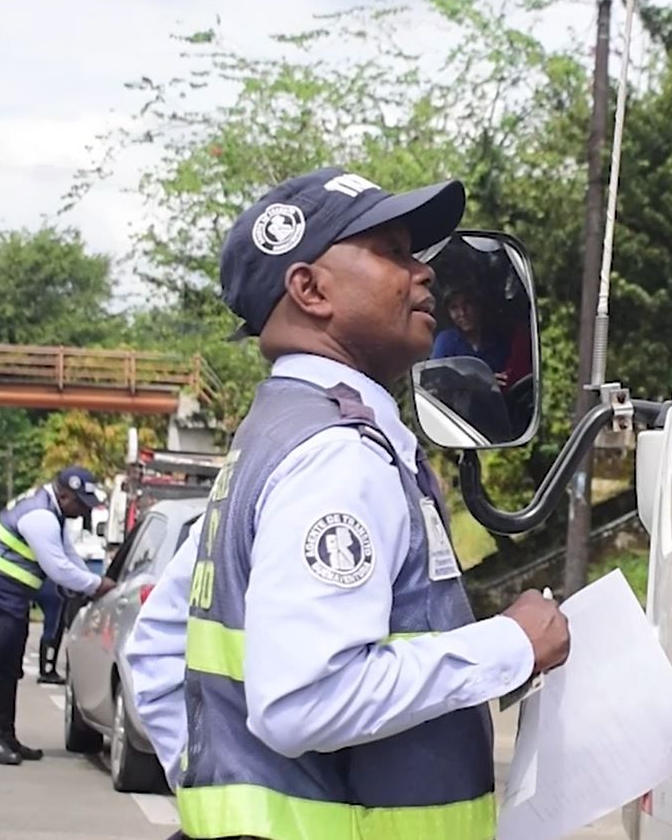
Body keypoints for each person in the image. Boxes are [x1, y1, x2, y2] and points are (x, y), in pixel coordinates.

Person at [124, 167, 570, 840]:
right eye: (390, 251)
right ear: (310, 289)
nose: (422, 274)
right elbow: (305, 699)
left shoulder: (275, 438)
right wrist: (508, 644)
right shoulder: (337, 455)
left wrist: (232, 800)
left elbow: (154, 650)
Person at [0, 467, 117, 765]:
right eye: (80, 503)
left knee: (8, 667)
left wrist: (92, 580)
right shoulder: (40, 516)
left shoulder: (52, 511)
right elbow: (57, 567)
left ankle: (7, 736)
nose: (83, 510)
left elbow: (69, 557)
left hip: (11, 597)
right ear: (64, 495)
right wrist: (96, 585)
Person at [431, 283, 531, 390]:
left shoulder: (498, 340)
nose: (462, 312)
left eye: (467, 303)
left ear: (478, 305)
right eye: (454, 308)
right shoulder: (445, 341)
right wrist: (478, 382)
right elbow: (436, 380)